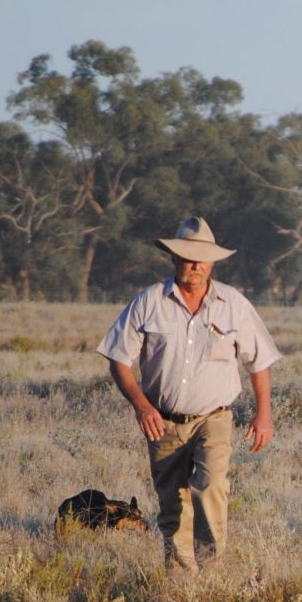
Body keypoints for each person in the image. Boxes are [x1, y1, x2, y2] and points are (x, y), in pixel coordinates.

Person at [97, 216, 281, 572]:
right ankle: (182, 581)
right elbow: (119, 360)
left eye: (201, 259)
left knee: (211, 484)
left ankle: (212, 571)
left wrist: (264, 414)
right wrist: (142, 406)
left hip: (214, 417)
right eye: (186, 257)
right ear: (173, 259)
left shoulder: (234, 304)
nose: (194, 265)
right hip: (162, 423)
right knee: (172, 504)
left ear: (212, 263)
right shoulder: (149, 302)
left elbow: (259, 362)